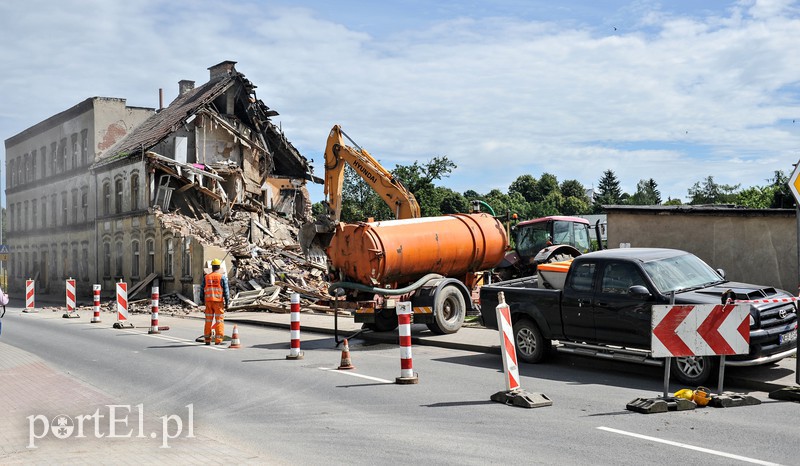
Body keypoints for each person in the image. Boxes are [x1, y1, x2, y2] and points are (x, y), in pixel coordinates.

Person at [203, 258, 229, 345]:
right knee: (219, 321)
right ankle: (218, 340)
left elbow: (201, 289)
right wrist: (227, 302)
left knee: (208, 321)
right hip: (218, 302)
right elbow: (226, 291)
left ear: (212, 267)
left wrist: (201, 300)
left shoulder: (206, 277)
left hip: (209, 302)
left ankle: (207, 339)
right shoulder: (222, 277)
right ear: (219, 267)